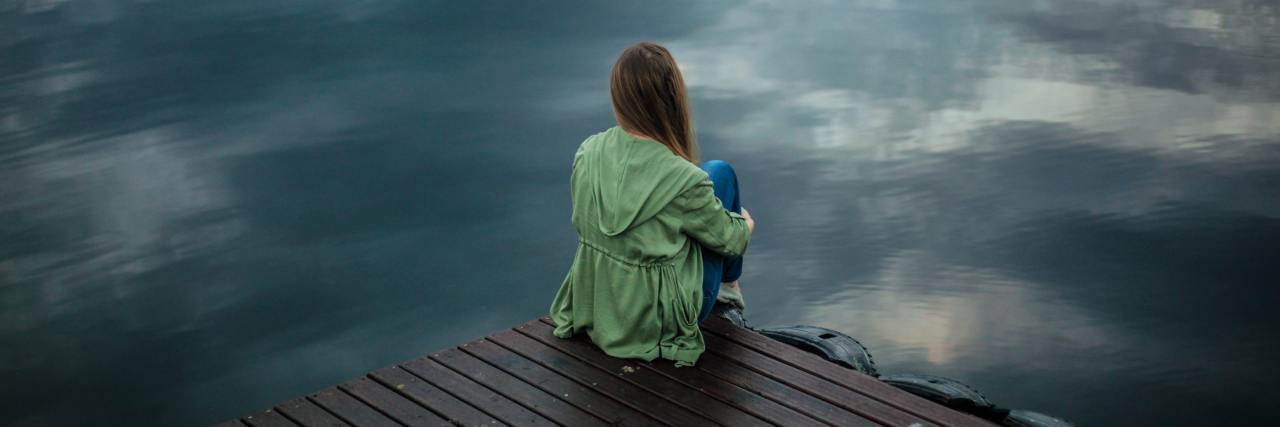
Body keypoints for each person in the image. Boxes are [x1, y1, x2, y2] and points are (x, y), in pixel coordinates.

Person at [548, 42, 755, 367]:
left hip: (602, 305)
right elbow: (734, 240)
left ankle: (726, 286)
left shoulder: (587, 153)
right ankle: (730, 289)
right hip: (658, 322)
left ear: (619, 98)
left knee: (708, 181)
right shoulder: (685, 180)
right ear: (672, 100)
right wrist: (745, 223)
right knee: (720, 173)